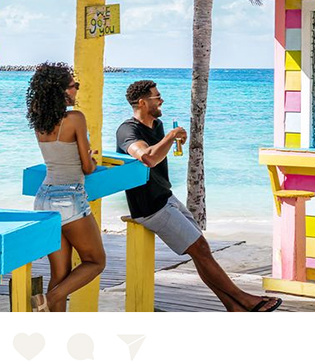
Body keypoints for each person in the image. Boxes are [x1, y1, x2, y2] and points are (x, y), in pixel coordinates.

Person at [116, 80, 282, 312]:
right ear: (142, 103)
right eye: (157, 97)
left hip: (165, 198)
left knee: (201, 251)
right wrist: (171, 136)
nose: (161, 99)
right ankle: (244, 300)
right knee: (201, 249)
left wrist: (170, 137)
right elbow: (147, 157)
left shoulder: (157, 125)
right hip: (149, 208)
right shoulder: (128, 130)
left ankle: (233, 306)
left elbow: (159, 155)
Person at [27, 62, 106, 312]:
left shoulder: (40, 121)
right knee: (95, 261)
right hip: (69, 197)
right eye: (74, 86)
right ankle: (46, 301)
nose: (77, 91)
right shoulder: (75, 119)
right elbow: (87, 167)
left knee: (60, 274)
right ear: (60, 90)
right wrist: (92, 158)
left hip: (44, 198)